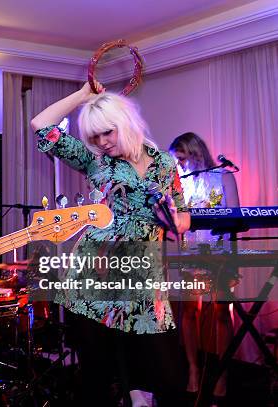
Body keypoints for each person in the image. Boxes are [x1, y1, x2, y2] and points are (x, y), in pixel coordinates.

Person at [31, 83, 191, 407]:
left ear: (125, 122)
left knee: (169, 376)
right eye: (95, 137)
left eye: (107, 133)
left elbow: (184, 215)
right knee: (97, 379)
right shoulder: (95, 161)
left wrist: (174, 220)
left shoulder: (164, 164)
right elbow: (40, 124)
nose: (102, 142)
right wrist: (82, 95)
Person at [169, 132, 240, 405]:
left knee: (222, 313)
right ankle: (193, 369)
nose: (181, 165)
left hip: (220, 253)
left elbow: (235, 213)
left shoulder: (223, 177)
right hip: (191, 253)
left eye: (183, 160)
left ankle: (222, 375)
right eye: (177, 161)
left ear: (196, 154)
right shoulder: (180, 184)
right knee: (189, 311)